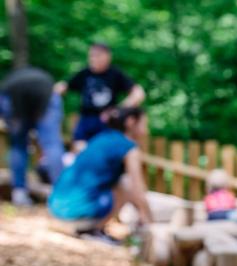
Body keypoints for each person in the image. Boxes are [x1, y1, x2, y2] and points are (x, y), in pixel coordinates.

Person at [48, 107, 152, 244]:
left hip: (55, 210)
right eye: (144, 124)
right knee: (126, 183)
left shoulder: (101, 138)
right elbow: (138, 190)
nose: (146, 131)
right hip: (76, 215)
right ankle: (94, 229)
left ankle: (91, 227)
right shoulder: (129, 147)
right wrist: (150, 222)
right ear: (131, 122)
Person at [54, 43, 146, 152]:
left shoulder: (115, 74)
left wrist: (118, 110)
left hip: (108, 121)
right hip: (86, 119)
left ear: (108, 57)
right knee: (80, 148)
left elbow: (139, 93)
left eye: (97, 55)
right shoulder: (84, 73)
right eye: (91, 55)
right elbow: (62, 87)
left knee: (106, 150)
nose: (93, 59)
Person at [0, 67, 64, 206]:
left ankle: (19, 193)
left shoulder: (10, 82)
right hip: (45, 91)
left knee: (18, 145)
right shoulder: (42, 77)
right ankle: (61, 194)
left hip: (14, 94)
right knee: (52, 144)